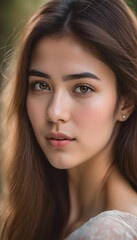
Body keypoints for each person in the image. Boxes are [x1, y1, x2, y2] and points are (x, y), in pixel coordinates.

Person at [0, 0, 137, 239]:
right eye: (41, 85)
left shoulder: (108, 233)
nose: (55, 112)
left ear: (125, 102)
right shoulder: (38, 214)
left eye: (82, 88)